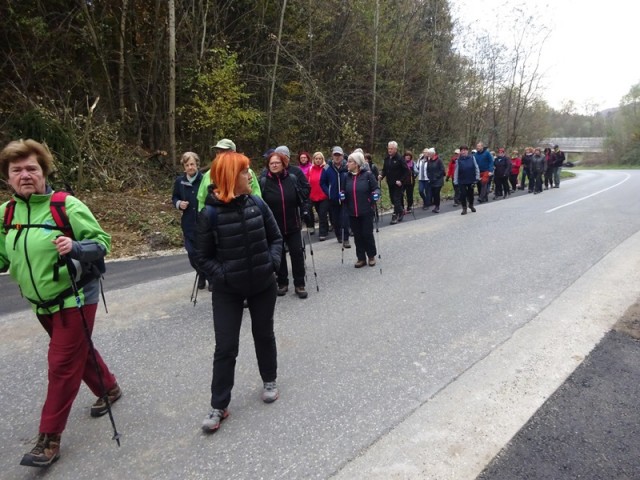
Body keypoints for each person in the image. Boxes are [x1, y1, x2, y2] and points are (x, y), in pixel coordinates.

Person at [0, 139, 120, 467]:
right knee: (75, 351)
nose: (25, 175)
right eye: (17, 170)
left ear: (43, 171)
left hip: (76, 295)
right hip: (40, 302)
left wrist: (75, 247)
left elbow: (102, 242)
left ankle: (48, 438)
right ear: (8, 177)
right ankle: (108, 388)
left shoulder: (64, 204)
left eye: (31, 168)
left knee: (61, 363)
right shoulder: (6, 213)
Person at [196, 151, 283, 434]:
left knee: (263, 333)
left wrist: (271, 264)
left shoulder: (257, 204)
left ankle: (269, 379)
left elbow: (276, 238)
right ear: (232, 177)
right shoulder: (208, 213)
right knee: (225, 347)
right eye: (245, 172)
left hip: (262, 284)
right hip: (227, 291)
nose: (250, 176)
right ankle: (218, 405)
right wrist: (223, 275)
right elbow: (201, 257)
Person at [260, 152, 308, 299]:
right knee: (278, 256)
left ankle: (299, 284)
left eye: (277, 163)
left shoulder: (292, 179)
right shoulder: (263, 182)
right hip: (274, 228)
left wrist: (305, 207)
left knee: (297, 254)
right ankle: (282, 283)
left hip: (293, 224)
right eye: (271, 163)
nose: (274, 165)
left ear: (283, 164)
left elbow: (302, 196)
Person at [172, 151, 207, 289]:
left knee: (204, 252)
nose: (190, 167)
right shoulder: (180, 181)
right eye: (187, 165)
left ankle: (210, 277)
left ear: (197, 164)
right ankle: (201, 273)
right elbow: (174, 198)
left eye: (192, 164)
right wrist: (179, 203)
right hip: (188, 224)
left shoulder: (204, 179)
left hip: (203, 223)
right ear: (184, 167)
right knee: (192, 253)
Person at [197, 138, 261, 211]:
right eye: (218, 152)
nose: (219, 155)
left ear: (233, 153)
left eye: (224, 152)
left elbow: (257, 196)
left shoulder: (247, 173)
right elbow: (201, 200)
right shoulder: (209, 174)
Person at [341, 151, 380, 268]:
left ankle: (371, 256)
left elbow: (376, 188)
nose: (347, 164)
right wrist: (341, 194)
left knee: (367, 234)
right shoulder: (346, 177)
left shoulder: (367, 175)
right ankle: (361, 258)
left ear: (357, 163)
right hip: (352, 211)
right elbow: (343, 190)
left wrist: (376, 194)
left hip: (366, 210)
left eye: (350, 162)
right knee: (357, 235)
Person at [320, 146, 350, 248]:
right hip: (333, 198)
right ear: (332, 156)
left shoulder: (347, 166)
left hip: (345, 198)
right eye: (335, 155)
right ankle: (338, 235)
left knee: (345, 218)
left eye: (339, 155)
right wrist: (328, 192)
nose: (337, 157)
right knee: (336, 220)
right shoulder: (327, 167)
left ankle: (346, 239)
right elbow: (322, 182)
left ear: (342, 156)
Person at [379, 140, 409, 224]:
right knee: (393, 200)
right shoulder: (387, 158)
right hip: (390, 182)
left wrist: (401, 180)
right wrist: (381, 175)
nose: (389, 150)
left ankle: (395, 216)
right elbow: (385, 169)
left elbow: (406, 171)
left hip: (398, 184)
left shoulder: (400, 158)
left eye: (391, 149)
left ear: (395, 149)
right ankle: (401, 211)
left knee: (396, 199)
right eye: (389, 148)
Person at [307, 152, 330, 241]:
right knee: (320, 213)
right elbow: (307, 182)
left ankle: (322, 233)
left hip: (324, 195)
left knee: (322, 214)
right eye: (316, 158)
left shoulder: (326, 168)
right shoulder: (310, 169)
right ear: (313, 159)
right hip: (313, 195)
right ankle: (326, 227)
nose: (318, 160)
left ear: (322, 159)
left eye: (320, 158)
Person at [453, 145, 480, 215]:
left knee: (470, 194)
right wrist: (455, 181)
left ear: (467, 151)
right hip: (462, 180)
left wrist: (477, 177)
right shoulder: (458, 160)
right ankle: (464, 208)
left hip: (471, 179)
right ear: (460, 152)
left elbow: (476, 167)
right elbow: (456, 171)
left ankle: (471, 205)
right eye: (462, 150)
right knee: (463, 194)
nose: (464, 152)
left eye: (465, 150)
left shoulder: (472, 158)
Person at [426, 148, 445, 213]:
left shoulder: (439, 160)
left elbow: (442, 170)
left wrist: (437, 176)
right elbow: (427, 169)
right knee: (433, 193)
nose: (428, 155)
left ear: (433, 154)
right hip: (432, 180)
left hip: (438, 180)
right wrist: (428, 176)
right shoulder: (429, 161)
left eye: (429, 154)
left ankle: (437, 206)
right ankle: (435, 205)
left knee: (436, 193)